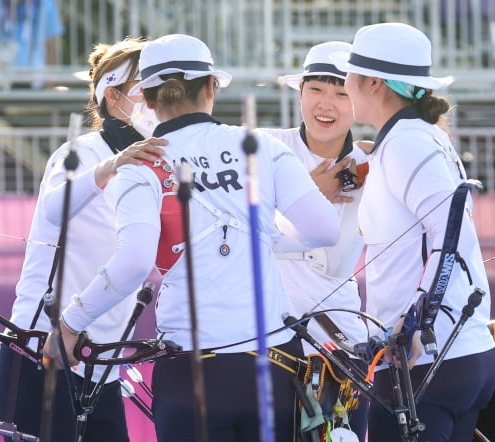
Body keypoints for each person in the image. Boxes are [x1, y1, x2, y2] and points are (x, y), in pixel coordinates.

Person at [43, 33, 341, 442]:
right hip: (273, 364)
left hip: (191, 369)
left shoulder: (140, 163)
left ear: (147, 98)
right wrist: (261, 238)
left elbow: (132, 264)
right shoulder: (263, 146)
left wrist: (71, 323)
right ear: (211, 87)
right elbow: (324, 231)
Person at [332, 22, 495, 441]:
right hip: (445, 359)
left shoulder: (408, 142)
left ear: (372, 83)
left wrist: (415, 321)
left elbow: (450, 231)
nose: (344, 85)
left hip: (425, 362)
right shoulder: (410, 138)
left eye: (348, 76)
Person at [0, 37, 160, 442]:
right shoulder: (81, 153)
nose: (158, 100)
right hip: (40, 353)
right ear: (113, 96)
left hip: (100, 364)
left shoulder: (157, 165)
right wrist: (110, 167)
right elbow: (53, 208)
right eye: (147, 88)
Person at [260, 41, 369, 441]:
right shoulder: (263, 149)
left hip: (342, 345)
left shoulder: (376, 164)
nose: (327, 104)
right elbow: (236, 237)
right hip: (267, 343)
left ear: (360, 99)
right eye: (317, 90)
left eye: (342, 92)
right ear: (301, 92)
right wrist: (309, 193)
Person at [0, 0, 65, 87]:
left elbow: (51, 45)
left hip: (35, 79)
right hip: (0, 80)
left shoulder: (46, 4)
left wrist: (49, 85)